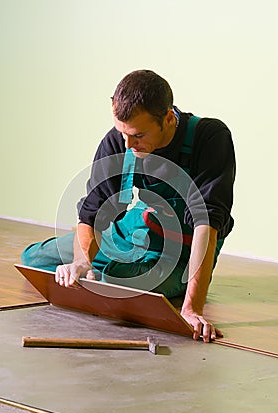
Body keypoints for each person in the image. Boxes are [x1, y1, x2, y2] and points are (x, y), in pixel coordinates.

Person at [21, 70, 236, 343]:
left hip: (183, 248)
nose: (127, 144)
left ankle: (113, 275)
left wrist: (192, 308)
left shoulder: (209, 137)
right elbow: (92, 212)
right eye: (122, 132)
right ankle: (100, 269)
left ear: (169, 118)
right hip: (132, 228)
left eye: (137, 135)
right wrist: (81, 262)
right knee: (35, 261)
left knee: (115, 286)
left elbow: (206, 222)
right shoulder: (119, 140)